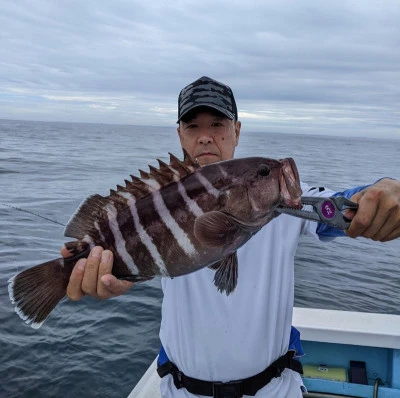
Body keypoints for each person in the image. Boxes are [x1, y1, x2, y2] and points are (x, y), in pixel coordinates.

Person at [62, 76, 400, 397]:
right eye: (193, 126)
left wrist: (381, 193)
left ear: (237, 131)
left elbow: (339, 208)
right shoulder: (159, 200)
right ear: (180, 134)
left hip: (273, 391)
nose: (206, 136)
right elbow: (132, 252)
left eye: (218, 125)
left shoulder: (285, 201)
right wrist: (110, 277)